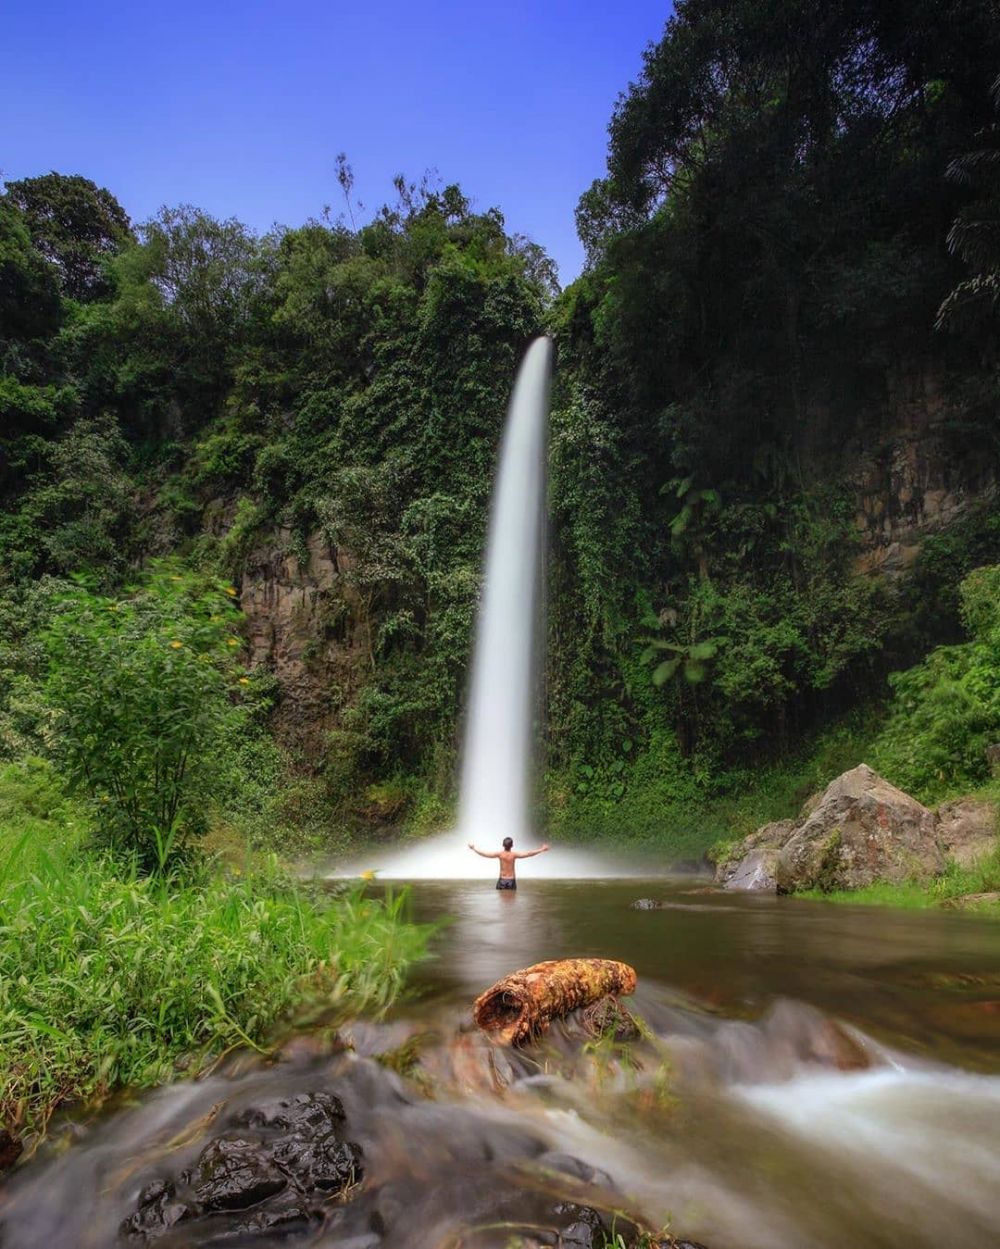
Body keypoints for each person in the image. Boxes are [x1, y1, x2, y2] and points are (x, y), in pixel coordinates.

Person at [467, 836, 550, 889]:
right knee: (511, 902)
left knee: (502, 904)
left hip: (502, 880)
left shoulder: (500, 854)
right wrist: (542, 849)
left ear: (503, 845)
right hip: (511, 880)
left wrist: (474, 848)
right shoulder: (514, 855)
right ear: (512, 846)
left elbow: (485, 854)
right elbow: (529, 854)